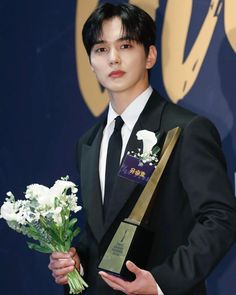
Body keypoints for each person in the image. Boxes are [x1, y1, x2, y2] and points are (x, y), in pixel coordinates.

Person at [48, 3, 236, 294]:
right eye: (100, 49)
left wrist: (163, 281)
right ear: (90, 62)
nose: (113, 59)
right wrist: (77, 263)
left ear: (150, 55)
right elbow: (101, 233)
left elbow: (221, 219)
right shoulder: (88, 143)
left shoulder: (186, 129)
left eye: (125, 45)